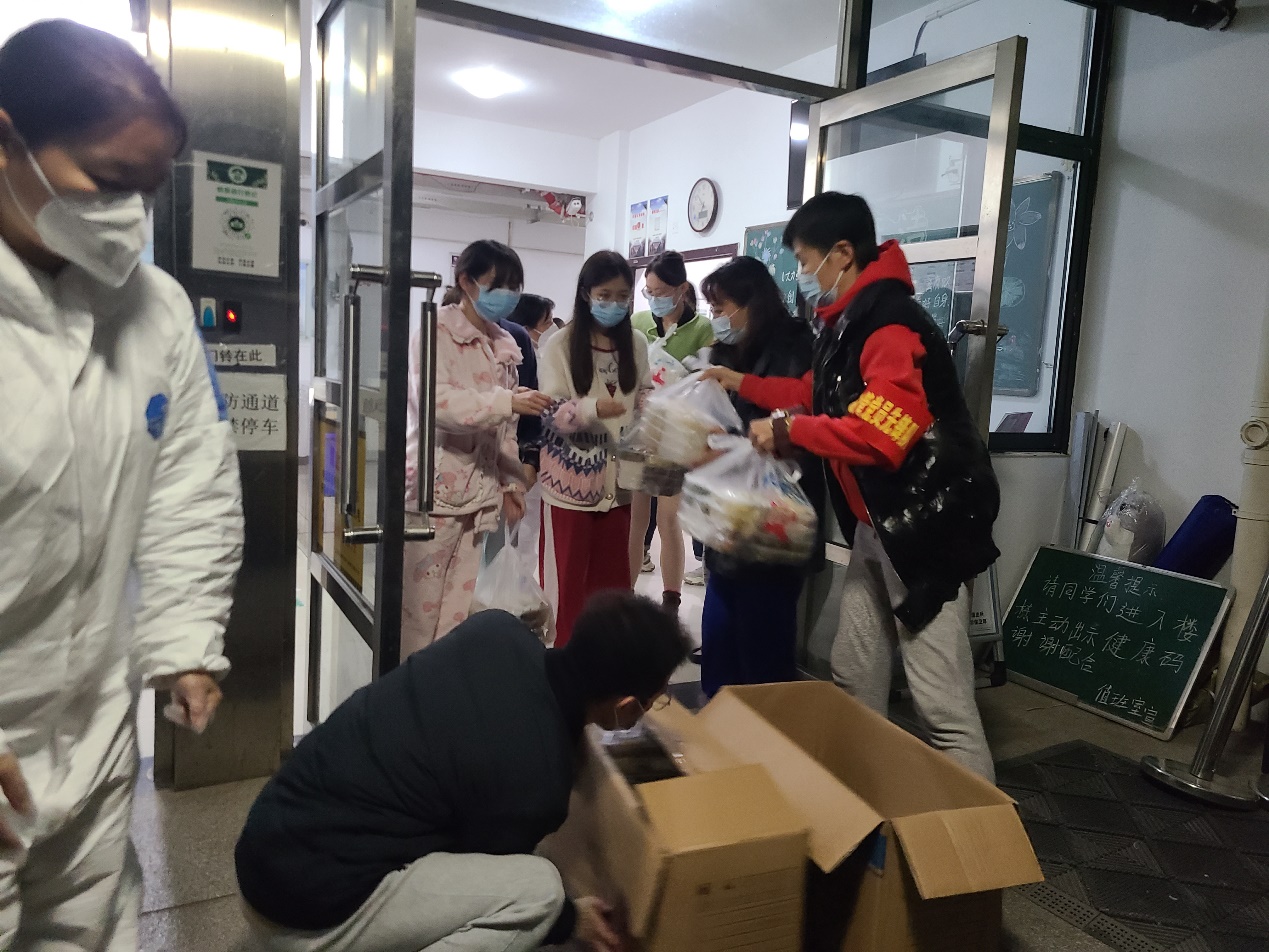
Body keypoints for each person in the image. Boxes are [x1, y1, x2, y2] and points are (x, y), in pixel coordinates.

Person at [0, 20, 243, 949]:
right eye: (107, 182)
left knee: (90, 928)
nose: (127, 216)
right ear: (7, 140)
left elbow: (189, 483)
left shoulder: (155, 307)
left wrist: (184, 641)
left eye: (148, 190)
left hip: (94, 717)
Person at [704, 192, 999, 781]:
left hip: (923, 532)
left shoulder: (890, 325)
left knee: (941, 706)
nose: (801, 274)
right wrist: (739, 381)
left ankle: (975, 829)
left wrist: (788, 430)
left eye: (803, 259)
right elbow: (816, 393)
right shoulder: (847, 322)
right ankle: (866, 801)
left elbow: (882, 434)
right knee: (854, 672)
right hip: (878, 525)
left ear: (841, 253)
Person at [236, 592, 691, 952]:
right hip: (303, 914)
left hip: (266, 841)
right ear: (626, 707)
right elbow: (482, 868)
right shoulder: (538, 783)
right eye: (656, 699)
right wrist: (569, 920)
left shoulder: (497, 629)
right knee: (540, 893)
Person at [402, 240, 551, 656]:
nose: (509, 295)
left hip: (479, 494)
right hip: (433, 492)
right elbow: (436, 404)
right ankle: (412, 687)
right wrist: (506, 402)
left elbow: (505, 429)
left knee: (457, 610)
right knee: (418, 615)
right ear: (466, 282)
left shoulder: (504, 345)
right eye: (499, 285)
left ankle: (444, 684)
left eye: (515, 287)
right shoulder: (434, 333)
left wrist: (512, 484)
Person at [697, 257, 822, 698]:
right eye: (711, 308)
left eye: (721, 307)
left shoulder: (796, 345)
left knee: (762, 646)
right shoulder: (724, 352)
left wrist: (742, 437)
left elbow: (799, 421)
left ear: (750, 303)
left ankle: (765, 730)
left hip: (774, 519)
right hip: (729, 514)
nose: (715, 317)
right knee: (719, 637)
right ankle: (719, 724)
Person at [538, 251, 651, 645]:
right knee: (568, 590)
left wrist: (657, 406)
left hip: (618, 486)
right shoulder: (560, 345)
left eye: (622, 296)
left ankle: (605, 663)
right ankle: (565, 662)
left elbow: (643, 394)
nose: (614, 304)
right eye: (605, 295)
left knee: (611, 589)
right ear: (586, 294)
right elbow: (550, 412)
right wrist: (592, 409)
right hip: (570, 487)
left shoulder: (636, 343)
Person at [629, 251, 715, 608]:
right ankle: (626, 596)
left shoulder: (702, 329)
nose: (654, 299)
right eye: (648, 292)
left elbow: (708, 385)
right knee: (636, 519)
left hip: (677, 436)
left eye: (661, 292)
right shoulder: (637, 323)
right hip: (638, 434)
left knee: (668, 520)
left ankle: (671, 601)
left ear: (681, 289)